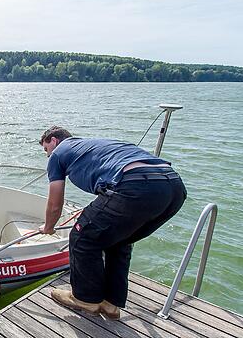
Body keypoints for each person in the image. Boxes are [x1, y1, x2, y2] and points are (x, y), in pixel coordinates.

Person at [38, 126, 186, 319]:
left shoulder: (59, 153)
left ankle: (85, 299)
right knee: (119, 240)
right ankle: (111, 304)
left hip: (136, 184)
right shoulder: (93, 144)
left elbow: (55, 204)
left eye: (45, 149)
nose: (47, 156)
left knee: (81, 236)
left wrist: (48, 227)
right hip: (174, 187)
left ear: (53, 140)